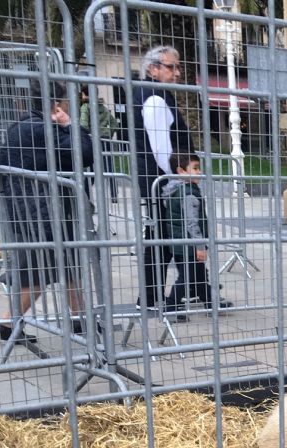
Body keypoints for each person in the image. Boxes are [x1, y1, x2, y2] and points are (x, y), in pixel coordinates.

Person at [0, 82, 94, 342]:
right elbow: (83, 153)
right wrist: (70, 125)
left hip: (34, 209)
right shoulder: (39, 129)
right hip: (40, 212)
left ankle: (80, 318)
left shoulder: (25, 126)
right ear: (57, 104)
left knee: (67, 264)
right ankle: (6, 323)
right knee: (43, 269)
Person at [130, 45, 194, 312]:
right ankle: (156, 296)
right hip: (163, 180)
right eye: (171, 67)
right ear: (153, 68)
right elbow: (160, 148)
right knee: (166, 237)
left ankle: (161, 295)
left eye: (178, 67)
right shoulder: (154, 96)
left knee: (164, 236)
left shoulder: (154, 93)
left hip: (160, 179)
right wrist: (173, 180)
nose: (177, 73)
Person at [161, 152, 215, 317]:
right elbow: (192, 223)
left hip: (180, 242)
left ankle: (211, 304)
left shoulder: (176, 190)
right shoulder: (188, 193)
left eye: (199, 168)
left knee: (198, 275)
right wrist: (200, 246)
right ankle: (171, 307)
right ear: (181, 171)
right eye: (195, 168)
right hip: (189, 244)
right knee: (186, 278)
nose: (199, 172)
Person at [80, 84, 119, 203]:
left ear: (85, 94)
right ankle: (113, 195)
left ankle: (86, 195)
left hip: (92, 140)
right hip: (104, 140)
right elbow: (114, 124)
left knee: (89, 169)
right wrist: (108, 134)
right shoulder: (103, 107)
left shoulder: (86, 107)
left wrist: (84, 135)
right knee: (108, 167)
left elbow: (84, 124)